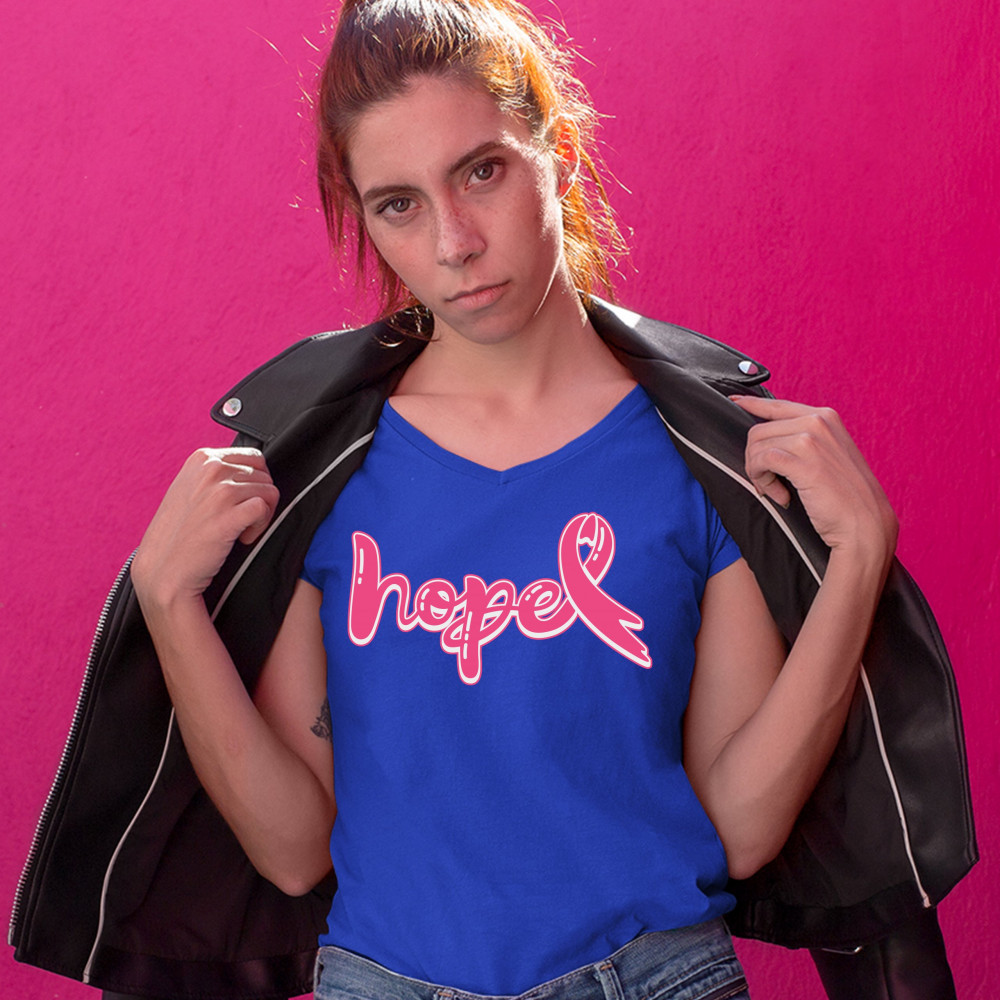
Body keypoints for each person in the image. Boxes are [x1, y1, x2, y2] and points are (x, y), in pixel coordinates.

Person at [11, 1, 973, 999]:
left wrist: (857, 565)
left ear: (558, 155)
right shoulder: (323, 470)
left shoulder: (701, 459)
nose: (454, 242)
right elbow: (295, 851)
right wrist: (168, 604)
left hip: (652, 976)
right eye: (398, 204)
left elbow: (733, 829)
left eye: (481, 171)